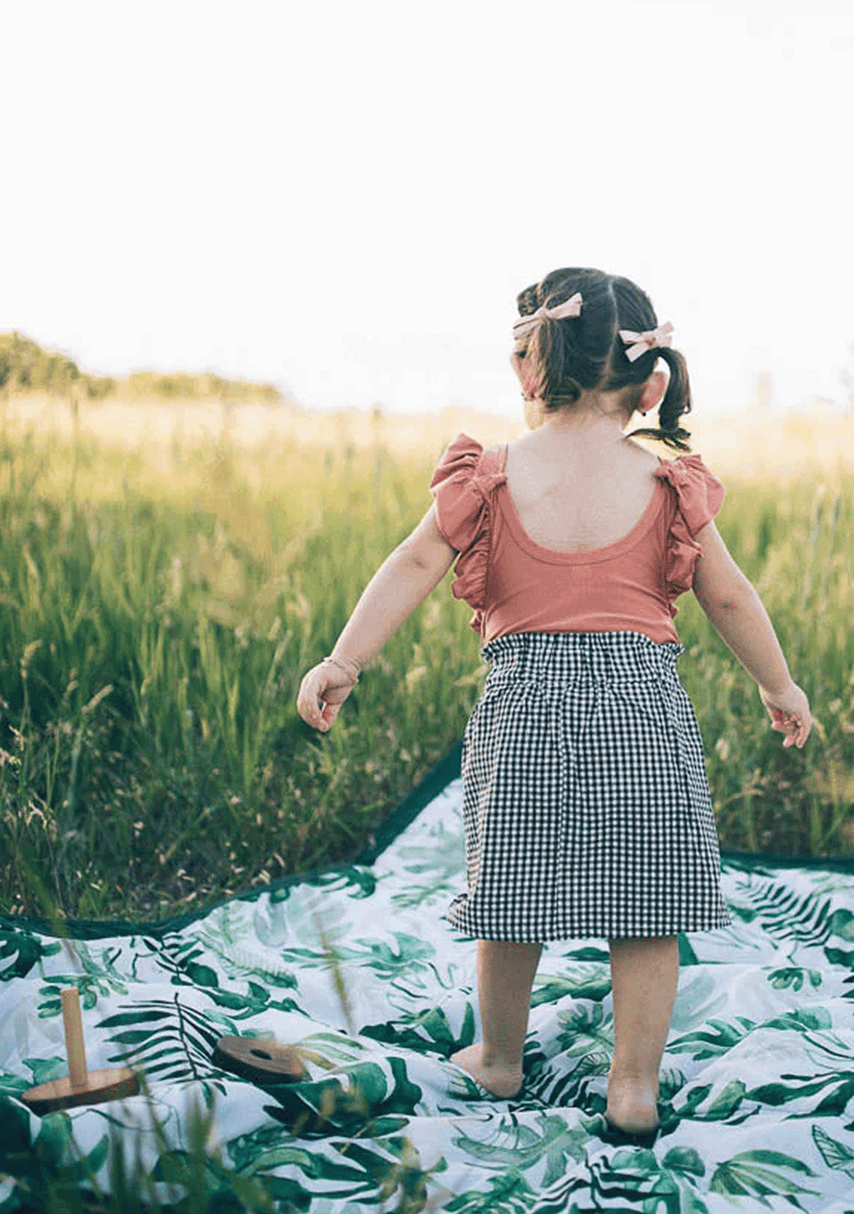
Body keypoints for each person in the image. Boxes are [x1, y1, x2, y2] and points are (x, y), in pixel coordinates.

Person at [296, 267, 812, 1143]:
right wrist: (779, 683)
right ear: (651, 382)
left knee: (510, 895)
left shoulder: (490, 477)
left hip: (525, 709)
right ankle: (633, 1089)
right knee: (649, 908)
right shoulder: (669, 479)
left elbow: (413, 564)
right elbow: (728, 595)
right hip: (642, 712)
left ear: (528, 370)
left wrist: (346, 658)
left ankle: (499, 1059)